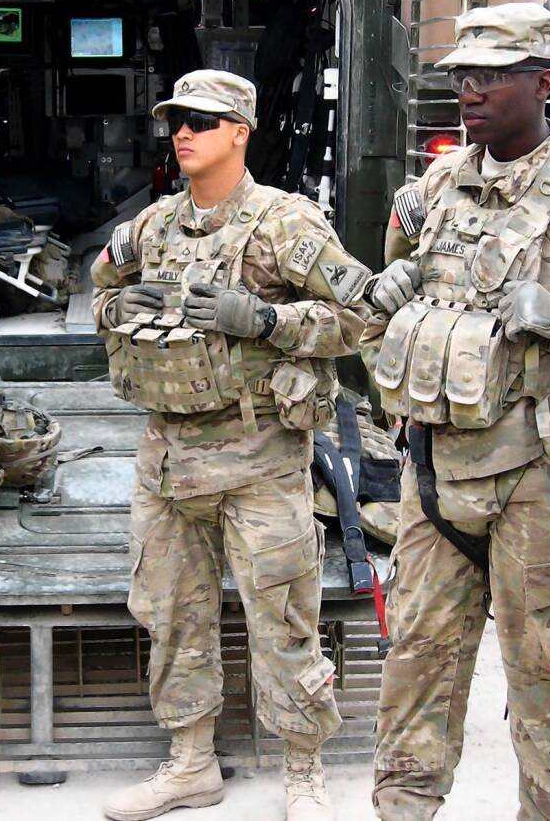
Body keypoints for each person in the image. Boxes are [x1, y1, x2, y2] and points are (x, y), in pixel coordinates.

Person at [362, 2, 550, 819]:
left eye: (492, 76)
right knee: (416, 661)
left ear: (544, 80)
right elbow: (393, 293)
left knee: (547, 673)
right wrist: (395, 294)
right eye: (462, 77)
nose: (471, 91)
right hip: (439, 478)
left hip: (548, 478)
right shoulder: (437, 186)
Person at [92, 69, 372, 821]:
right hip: (168, 459)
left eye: (202, 121)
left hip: (259, 460)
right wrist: (121, 303)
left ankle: (303, 770)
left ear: (241, 132)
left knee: (283, 619)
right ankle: (189, 765)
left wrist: (270, 323)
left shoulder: (288, 224)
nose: (183, 132)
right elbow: (98, 294)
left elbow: (363, 316)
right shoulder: (150, 227)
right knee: (172, 616)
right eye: (177, 120)